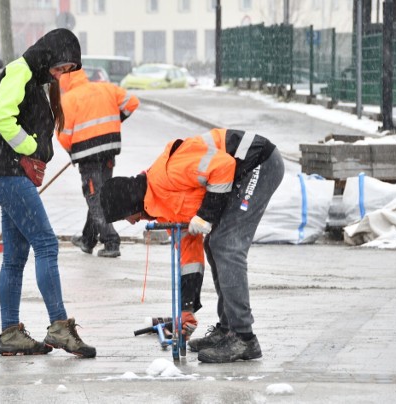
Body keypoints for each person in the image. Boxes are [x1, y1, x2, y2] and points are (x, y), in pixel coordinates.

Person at [100, 128, 284, 363]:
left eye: (127, 217)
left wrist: (205, 215)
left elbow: (223, 166)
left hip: (259, 162)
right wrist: (187, 309)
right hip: (243, 171)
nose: (133, 222)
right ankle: (227, 331)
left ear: (131, 205)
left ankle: (244, 338)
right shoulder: (163, 207)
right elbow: (189, 254)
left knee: (226, 245)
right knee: (213, 245)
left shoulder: (168, 174)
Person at [0, 28, 96, 358]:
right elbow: (1, 117)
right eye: (61, 67)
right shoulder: (20, 71)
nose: (61, 74)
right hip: (8, 173)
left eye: (67, 71)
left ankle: (10, 333)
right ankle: (59, 326)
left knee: (15, 259)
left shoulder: (33, 78)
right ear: (49, 55)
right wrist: (29, 150)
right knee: (46, 243)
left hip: (7, 174)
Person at [56, 68, 139, 258]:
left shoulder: (69, 99)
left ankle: (111, 241)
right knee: (99, 196)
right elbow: (132, 102)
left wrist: (72, 151)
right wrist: (114, 122)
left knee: (95, 198)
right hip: (108, 150)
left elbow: (62, 134)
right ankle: (88, 239)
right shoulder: (105, 89)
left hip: (88, 157)